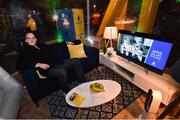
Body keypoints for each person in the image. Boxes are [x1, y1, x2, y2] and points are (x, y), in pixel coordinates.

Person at [17, 32, 86, 93]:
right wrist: (38, 64)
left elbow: (52, 46)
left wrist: (65, 43)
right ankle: (67, 91)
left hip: (56, 63)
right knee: (62, 72)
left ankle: (81, 82)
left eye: (33, 38)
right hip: (47, 70)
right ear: (26, 40)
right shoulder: (25, 51)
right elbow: (20, 64)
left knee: (76, 61)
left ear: (36, 39)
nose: (31, 40)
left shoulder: (41, 45)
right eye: (29, 38)